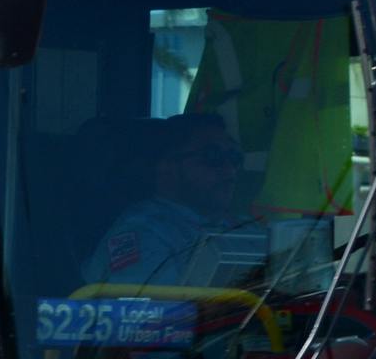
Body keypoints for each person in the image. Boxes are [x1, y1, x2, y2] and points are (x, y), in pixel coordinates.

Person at [80, 112, 256, 291]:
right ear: (165, 166)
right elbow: (152, 313)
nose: (230, 170)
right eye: (212, 156)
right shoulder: (142, 235)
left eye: (234, 157)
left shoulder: (247, 229)